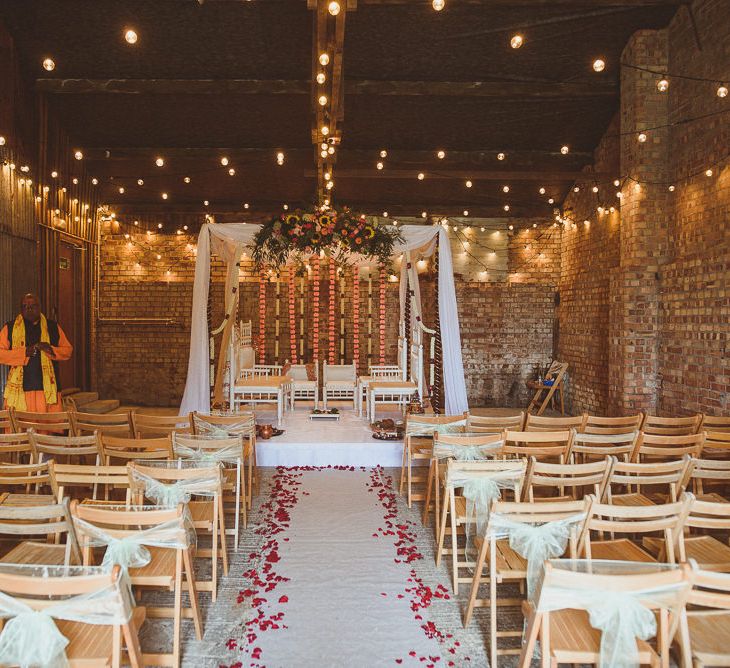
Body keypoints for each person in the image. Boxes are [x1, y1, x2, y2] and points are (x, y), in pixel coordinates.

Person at [0, 293, 73, 412]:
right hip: (20, 392)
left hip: (47, 391)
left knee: (46, 428)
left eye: (32, 306)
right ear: (21, 309)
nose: (28, 309)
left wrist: (50, 349)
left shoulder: (52, 327)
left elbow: (68, 351)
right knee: (21, 427)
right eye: (25, 306)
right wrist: (23, 353)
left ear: (39, 307)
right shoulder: (10, 327)